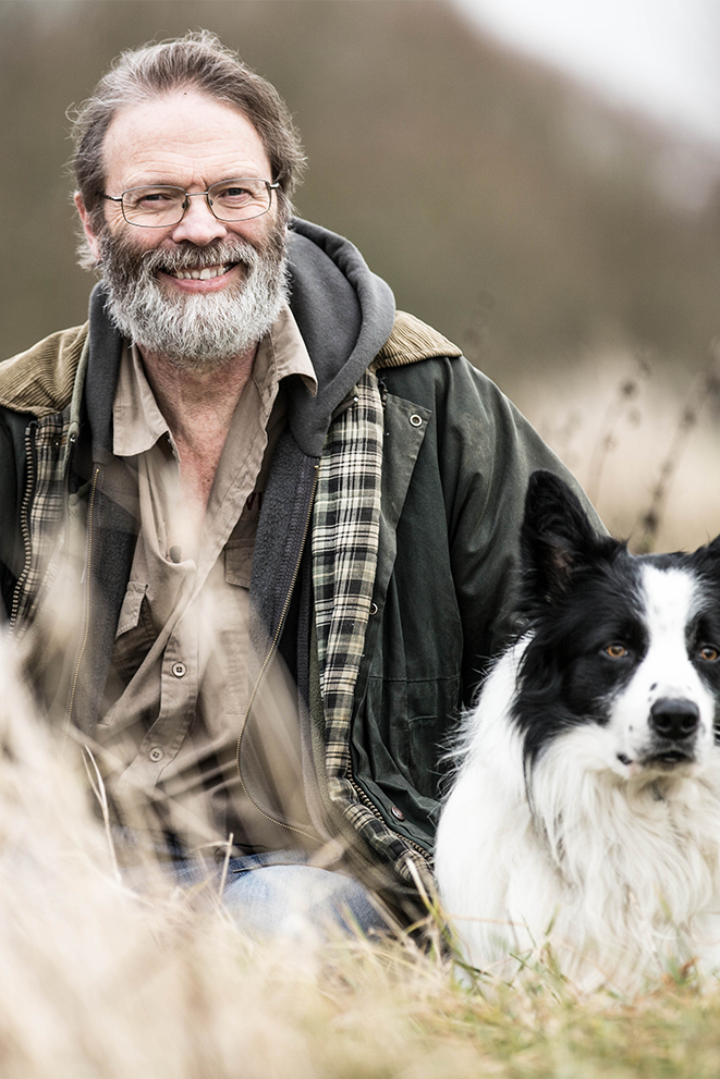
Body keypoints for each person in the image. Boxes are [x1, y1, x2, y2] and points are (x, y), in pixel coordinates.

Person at [0, 31, 598, 939]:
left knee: (270, 925)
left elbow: (582, 647)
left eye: (233, 191)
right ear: (92, 222)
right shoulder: (22, 422)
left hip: (335, 869)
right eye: (155, 198)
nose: (200, 229)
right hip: (69, 865)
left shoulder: (427, 404)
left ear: (279, 203)